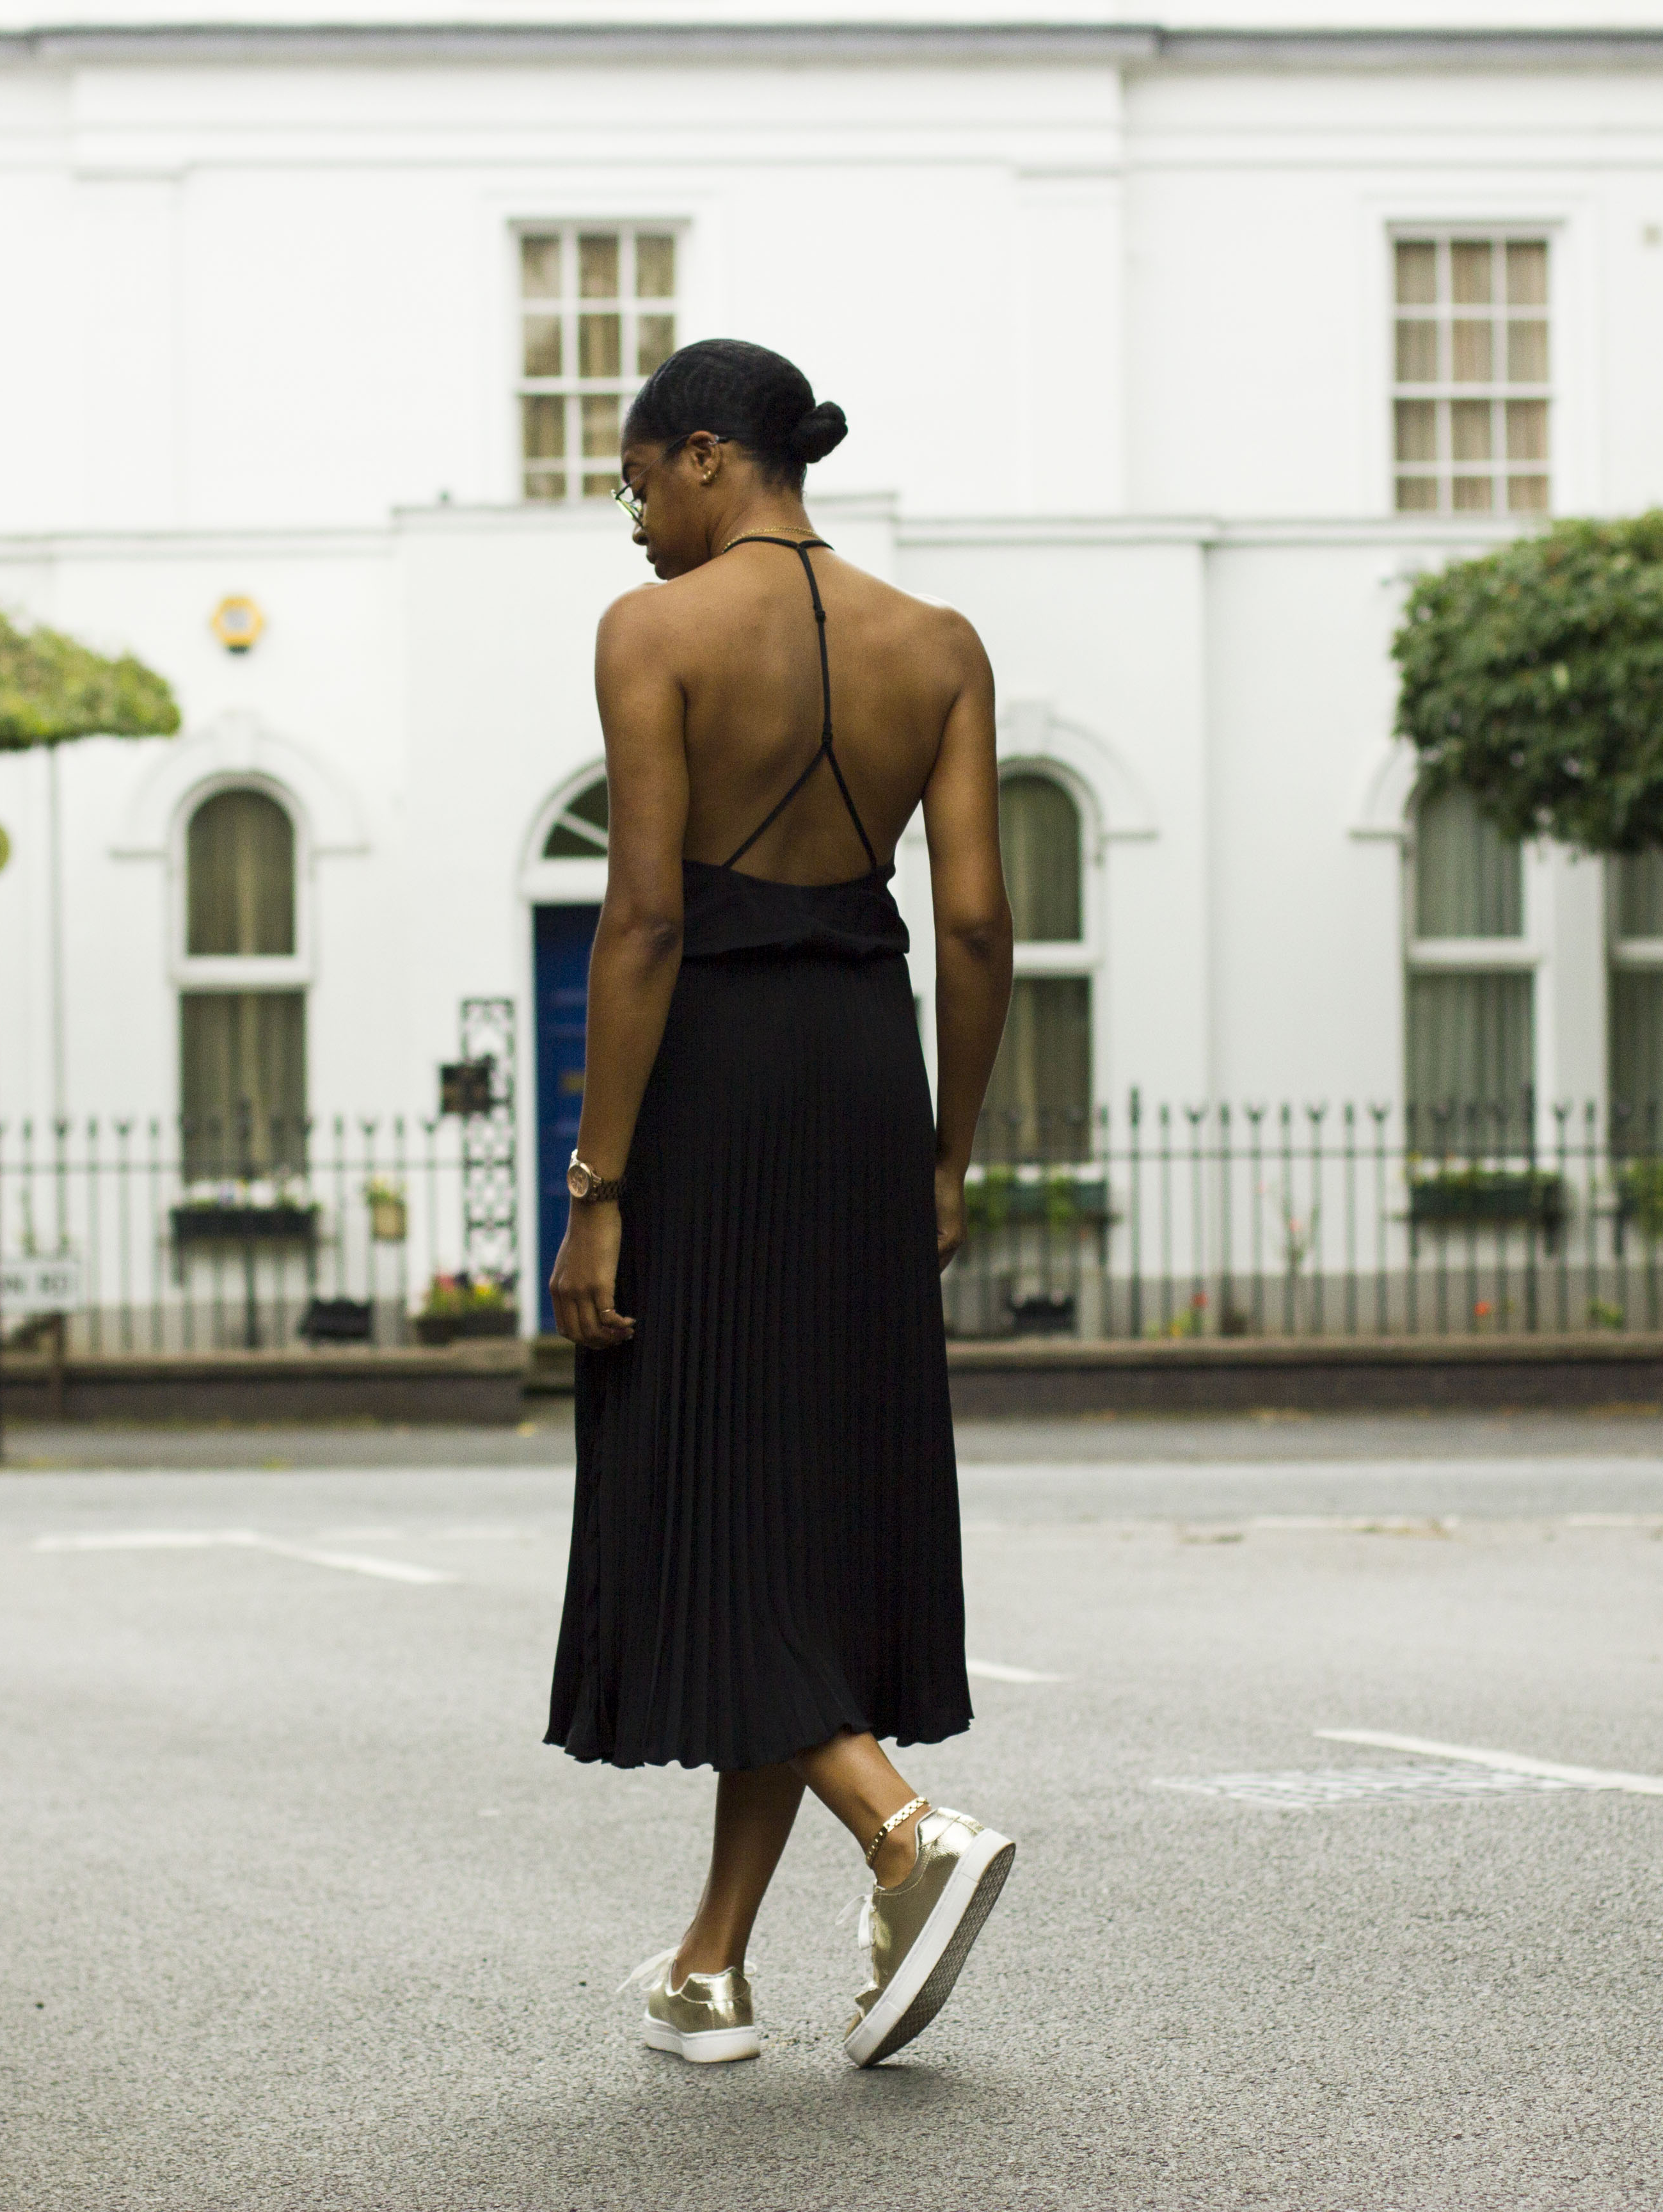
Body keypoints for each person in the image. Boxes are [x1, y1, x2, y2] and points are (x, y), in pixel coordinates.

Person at [545, 338, 1015, 2069]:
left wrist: (600, 1186)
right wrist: (948, 1154)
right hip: (867, 1072)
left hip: (718, 1083)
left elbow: (646, 923)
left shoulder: (655, 637)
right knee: (798, 1506)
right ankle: (711, 1965)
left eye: (637, 487)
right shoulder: (941, 647)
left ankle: (904, 1831)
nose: (634, 526)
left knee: (697, 1486)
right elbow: (974, 928)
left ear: (702, 458)